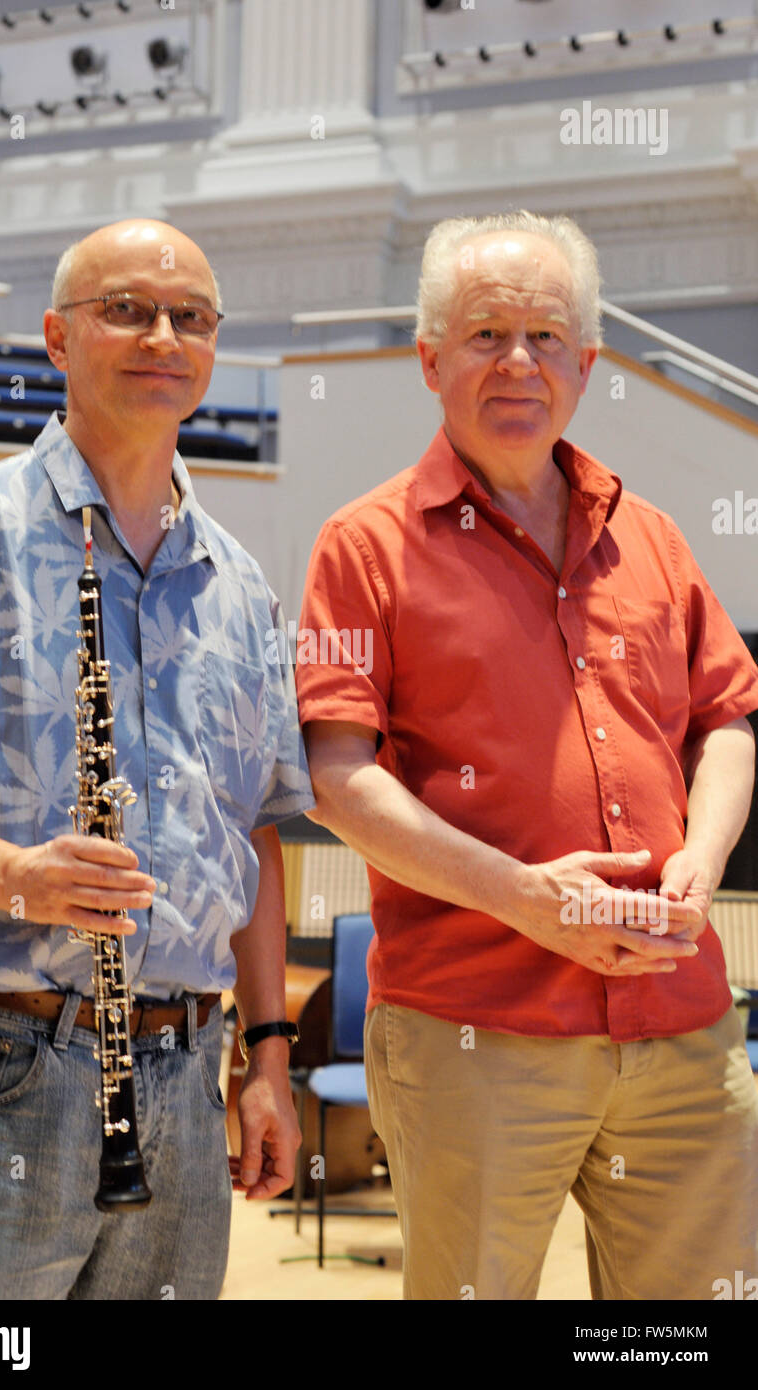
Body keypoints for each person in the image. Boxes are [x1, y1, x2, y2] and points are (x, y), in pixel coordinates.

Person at [295, 210, 758, 1301]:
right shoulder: (362, 547)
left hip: (683, 1024)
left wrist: (702, 855)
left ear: (587, 363)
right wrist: (525, 899)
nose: (519, 361)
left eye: (546, 337)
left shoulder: (651, 537)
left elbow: (727, 721)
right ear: (429, 359)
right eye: (485, 333)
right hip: (477, 1032)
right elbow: (337, 779)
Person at [0, 218, 313, 1300]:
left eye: (192, 318)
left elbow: (254, 833)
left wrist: (266, 1054)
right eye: (125, 309)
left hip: (182, 1074)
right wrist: (15, 877)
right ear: (55, 340)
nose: (163, 335)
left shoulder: (242, 586)